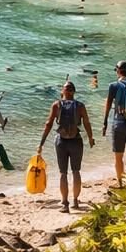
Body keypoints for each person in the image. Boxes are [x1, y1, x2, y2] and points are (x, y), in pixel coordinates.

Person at [38, 81, 94, 213]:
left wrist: (41, 143)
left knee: (63, 173)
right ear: (73, 92)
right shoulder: (80, 106)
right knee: (76, 171)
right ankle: (75, 201)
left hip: (61, 142)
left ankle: (64, 203)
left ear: (62, 91)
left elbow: (48, 124)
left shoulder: (56, 105)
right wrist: (91, 137)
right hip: (76, 141)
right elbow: (86, 122)